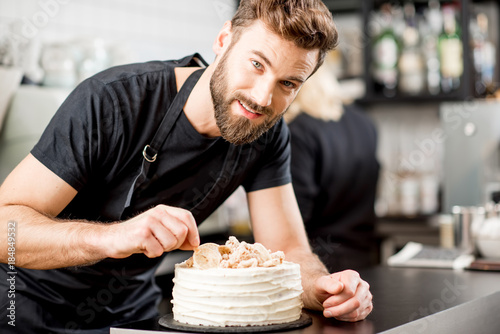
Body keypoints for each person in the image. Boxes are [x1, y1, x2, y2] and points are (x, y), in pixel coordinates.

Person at [0, 1, 373, 332]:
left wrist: (324, 287)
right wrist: (111, 237)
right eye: (257, 64)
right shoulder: (112, 100)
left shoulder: (267, 134)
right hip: (27, 310)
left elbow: (289, 251)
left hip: (133, 318)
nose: (262, 97)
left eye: (287, 83)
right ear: (224, 40)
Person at [286, 55, 380, 272]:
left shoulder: (299, 131)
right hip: (364, 259)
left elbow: (293, 216)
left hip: (318, 267)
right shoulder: (363, 121)